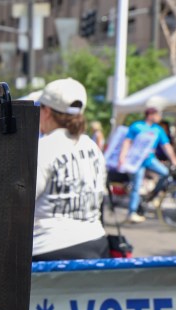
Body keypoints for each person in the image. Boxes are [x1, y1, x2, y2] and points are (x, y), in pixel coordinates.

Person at [32, 78, 109, 261]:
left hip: (49, 248)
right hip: (96, 243)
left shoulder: (43, 148)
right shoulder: (92, 147)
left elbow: (20, 202)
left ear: (47, 111)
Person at [117, 100, 176, 224]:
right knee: (136, 185)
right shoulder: (137, 126)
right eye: (158, 114)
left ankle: (151, 195)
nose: (160, 117)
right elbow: (127, 142)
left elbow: (166, 146)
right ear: (151, 114)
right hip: (136, 161)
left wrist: (174, 160)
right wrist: (122, 157)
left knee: (165, 173)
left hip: (149, 159)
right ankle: (132, 212)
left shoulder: (158, 129)